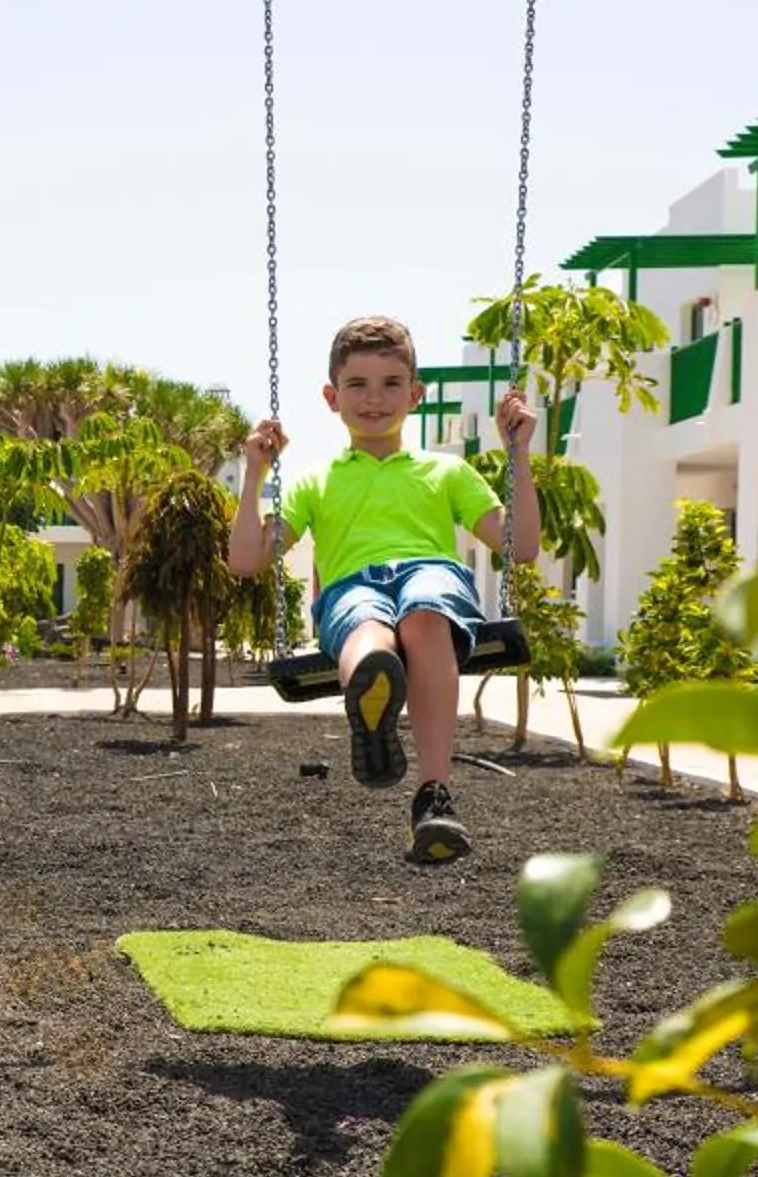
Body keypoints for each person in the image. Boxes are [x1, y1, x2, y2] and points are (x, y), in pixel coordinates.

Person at [228, 314, 539, 864]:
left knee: (424, 609)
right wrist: (254, 473)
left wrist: (518, 452)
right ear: (331, 397)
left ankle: (433, 794)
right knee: (365, 625)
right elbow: (246, 560)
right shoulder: (313, 482)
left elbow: (521, 547)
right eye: (358, 385)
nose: (375, 399)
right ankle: (372, 693)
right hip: (352, 587)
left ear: (415, 394)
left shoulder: (448, 473)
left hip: (431, 576)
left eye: (392, 384)